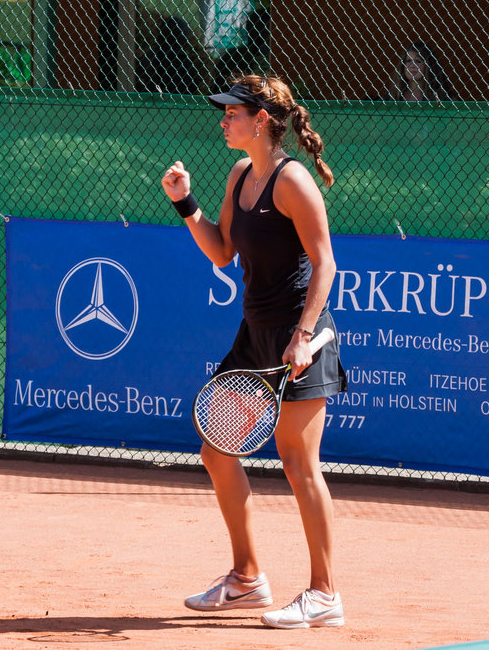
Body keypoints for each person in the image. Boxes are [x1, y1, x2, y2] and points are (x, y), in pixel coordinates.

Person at [160, 74, 346, 630]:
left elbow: (326, 262)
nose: (223, 120)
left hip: (299, 335)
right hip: (255, 332)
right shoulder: (241, 174)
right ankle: (246, 579)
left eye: (232, 113)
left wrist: (304, 334)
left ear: (261, 119)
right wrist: (184, 203)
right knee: (217, 452)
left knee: (296, 462)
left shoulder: (293, 182)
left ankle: (325, 593)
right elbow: (221, 251)